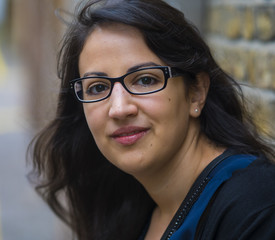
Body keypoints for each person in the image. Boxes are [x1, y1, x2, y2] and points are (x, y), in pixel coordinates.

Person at [28, 0, 275, 239]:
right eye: (97, 87)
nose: (119, 108)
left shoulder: (256, 206)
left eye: (145, 79)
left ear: (196, 92)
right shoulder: (127, 205)